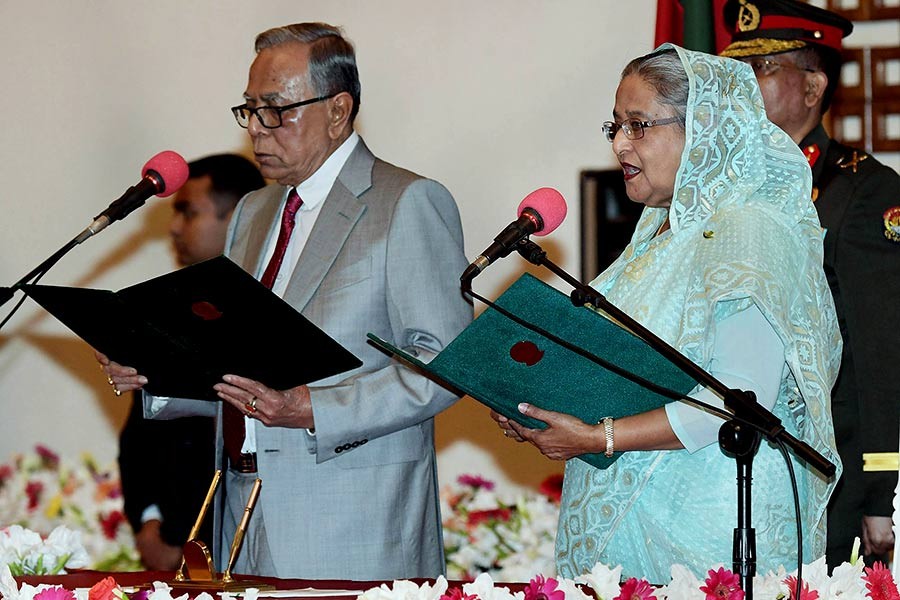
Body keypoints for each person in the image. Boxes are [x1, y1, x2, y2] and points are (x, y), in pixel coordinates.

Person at [99, 22, 472, 580]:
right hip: (239, 514)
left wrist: (313, 408)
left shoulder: (405, 203)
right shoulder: (254, 213)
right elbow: (235, 371)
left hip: (352, 519)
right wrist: (154, 371)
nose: (257, 128)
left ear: (338, 111)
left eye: (276, 110)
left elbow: (444, 365)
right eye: (249, 109)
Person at [492, 44, 842, 582]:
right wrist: (543, 407)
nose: (620, 144)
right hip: (644, 525)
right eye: (615, 126)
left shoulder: (745, 228)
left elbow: (740, 398)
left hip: (710, 532)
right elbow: (626, 373)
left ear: (702, 126)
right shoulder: (659, 233)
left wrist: (600, 437)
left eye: (638, 125)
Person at [719, 0, 900, 569]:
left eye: (762, 68)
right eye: (737, 70)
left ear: (813, 86)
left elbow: (879, 351)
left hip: (831, 467)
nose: (744, 84)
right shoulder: (727, 190)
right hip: (735, 459)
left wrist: (880, 490)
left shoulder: (863, 191)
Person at [118, 153, 265, 570]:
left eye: (189, 211)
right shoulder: (165, 311)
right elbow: (138, 438)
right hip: (170, 546)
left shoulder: (269, 312)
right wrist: (151, 523)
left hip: (253, 539)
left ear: (236, 217)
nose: (174, 227)